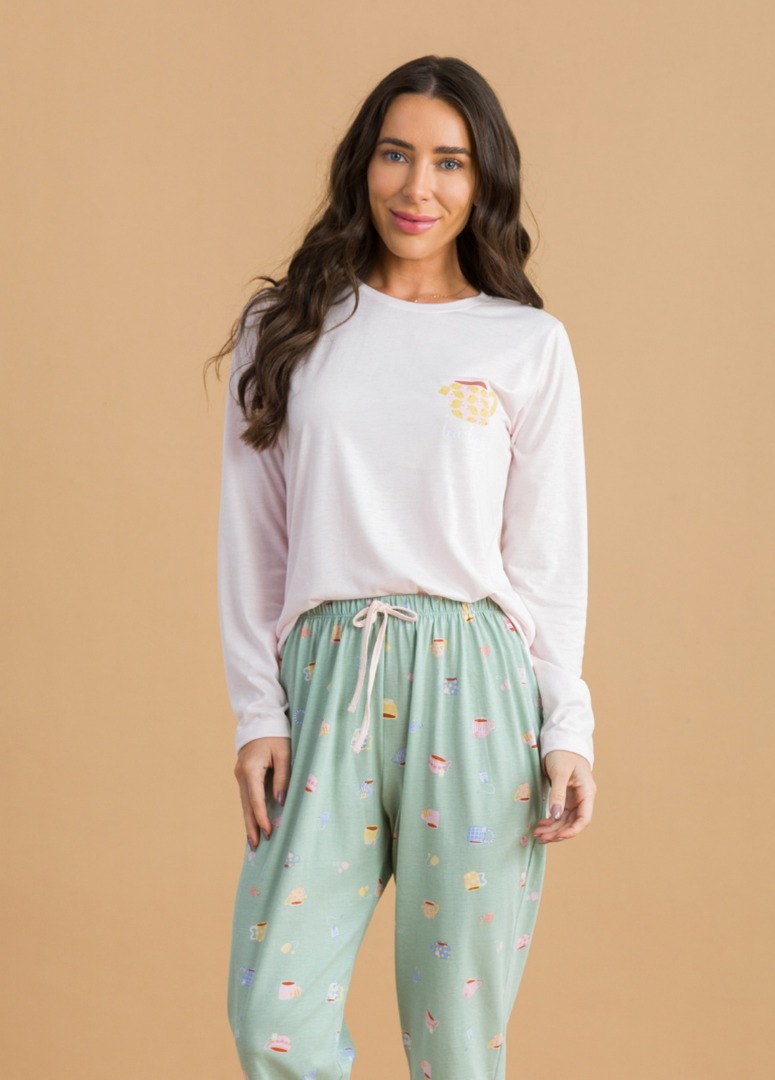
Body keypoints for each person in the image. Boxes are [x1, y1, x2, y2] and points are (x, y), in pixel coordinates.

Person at [207, 54, 597, 1080]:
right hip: (325, 678)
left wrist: (568, 726)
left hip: (478, 687)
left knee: (457, 1045)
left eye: (449, 163)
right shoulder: (285, 329)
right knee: (273, 1018)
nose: (418, 187)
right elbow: (253, 541)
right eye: (396, 154)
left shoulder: (526, 345)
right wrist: (257, 713)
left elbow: (547, 559)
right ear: (362, 166)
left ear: (483, 182)